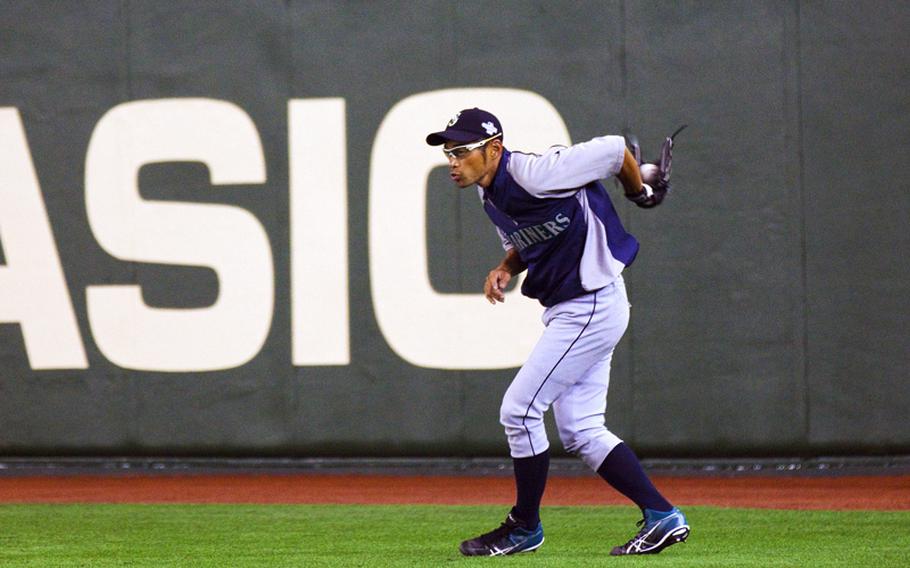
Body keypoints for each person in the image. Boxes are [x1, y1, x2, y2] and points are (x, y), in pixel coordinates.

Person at [425, 108, 689, 557]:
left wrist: (638, 188)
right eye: (449, 152)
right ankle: (663, 516)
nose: (453, 161)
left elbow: (612, 149)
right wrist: (506, 267)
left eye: (462, 151)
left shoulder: (535, 172)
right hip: (575, 306)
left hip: (591, 303)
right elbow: (527, 242)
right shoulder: (489, 194)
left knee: (520, 411)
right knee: (582, 430)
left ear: (493, 149)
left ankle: (525, 526)